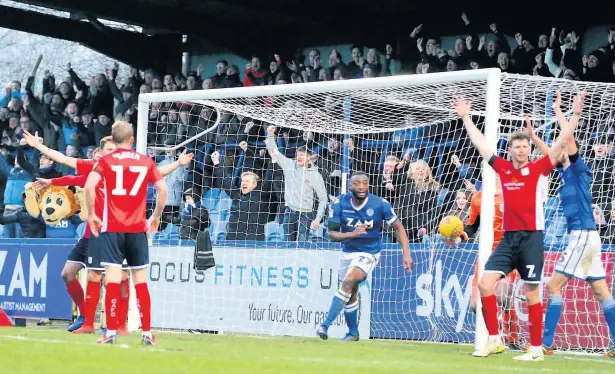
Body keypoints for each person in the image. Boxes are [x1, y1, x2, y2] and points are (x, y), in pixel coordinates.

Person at [452, 90, 585, 361]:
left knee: (532, 293)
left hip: (532, 239)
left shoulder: (538, 169)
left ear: (529, 149)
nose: (522, 150)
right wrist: (466, 118)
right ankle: (494, 339)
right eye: (517, 146)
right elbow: (481, 145)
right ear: (510, 150)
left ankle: (536, 349)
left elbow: (561, 144)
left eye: (525, 146)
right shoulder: (503, 169)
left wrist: (575, 115)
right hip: (509, 240)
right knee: (485, 285)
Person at [23, 130, 190, 334]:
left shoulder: (124, 169)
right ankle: (87, 319)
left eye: (115, 149)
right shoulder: (96, 167)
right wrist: (42, 155)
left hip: (114, 231)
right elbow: (68, 167)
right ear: (99, 153)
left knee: (115, 277)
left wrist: (177, 164)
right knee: (69, 274)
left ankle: (118, 325)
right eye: (109, 150)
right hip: (92, 234)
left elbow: (155, 172)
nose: (114, 153)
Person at [528, 92, 615, 358]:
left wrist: (564, 113)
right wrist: (533, 137)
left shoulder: (578, 170)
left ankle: (547, 343)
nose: (559, 147)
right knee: (601, 292)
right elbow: (550, 154)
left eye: (562, 146)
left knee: (553, 287)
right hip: (587, 238)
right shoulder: (566, 173)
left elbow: (567, 139)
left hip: (582, 237)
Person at [84, 121, 168, 345]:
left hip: (113, 228)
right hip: (136, 228)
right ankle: (147, 334)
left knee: (112, 279)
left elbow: (89, 186)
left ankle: (110, 333)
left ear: (112, 140)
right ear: (132, 141)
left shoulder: (105, 161)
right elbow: (163, 188)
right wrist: (156, 216)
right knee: (140, 282)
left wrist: (92, 214)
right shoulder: (145, 161)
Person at [316, 171, 413, 341]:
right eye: (357, 183)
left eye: (365, 183)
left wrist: (406, 254)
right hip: (348, 253)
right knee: (350, 292)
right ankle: (353, 333)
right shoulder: (339, 203)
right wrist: (352, 235)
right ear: (350, 186)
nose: (361, 187)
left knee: (349, 281)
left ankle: (325, 324)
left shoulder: (379, 204)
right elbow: (331, 235)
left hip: (370, 252)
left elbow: (399, 227)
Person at [464, 174, 520, 350]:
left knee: (503, 297)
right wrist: (458, 236)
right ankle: (492, 337)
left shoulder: (514, 191)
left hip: (508, 250)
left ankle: (512, 339)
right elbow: (472, 227)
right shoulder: (478, 197)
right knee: (474, 305)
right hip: (485, 253)